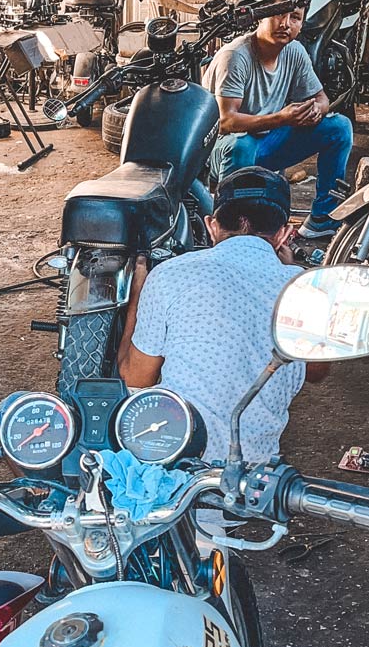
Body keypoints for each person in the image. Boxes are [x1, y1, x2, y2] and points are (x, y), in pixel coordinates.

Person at [116, 167, 329, 464]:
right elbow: (316, 371)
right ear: (284, 234)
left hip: (175, 464)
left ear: (212, 226)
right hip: (252, 482)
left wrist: (137, 298)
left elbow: (136, 378)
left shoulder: (170, 274)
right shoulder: (306, 288)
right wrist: (290, 271)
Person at [203, 0, 353, 240]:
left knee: (339, 127)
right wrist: (281, 118)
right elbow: (225, 122)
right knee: (242, 145)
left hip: (265, 143)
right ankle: (230, 231)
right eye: (278, 14)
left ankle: (321, 220)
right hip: (219, 149)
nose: (286, 24)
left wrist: (316, 109)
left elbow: (322, 97)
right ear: (262, 13)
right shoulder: (235, 56)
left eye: (294, 17)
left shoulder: (294, 51)